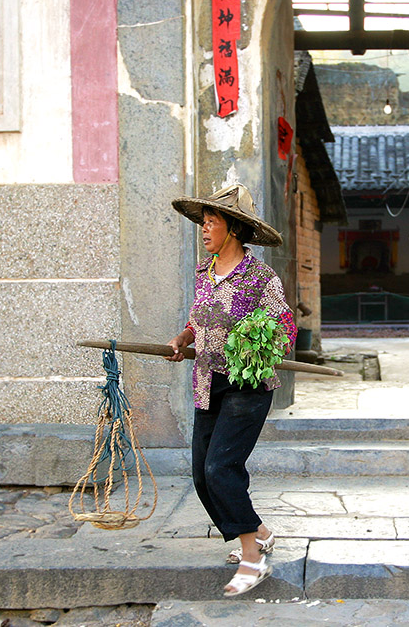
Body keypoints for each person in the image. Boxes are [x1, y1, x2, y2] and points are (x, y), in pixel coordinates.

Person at [165, 183, 296, 597]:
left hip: (247, 385)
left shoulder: (260, 277)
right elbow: (198, 319)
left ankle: (252, 559)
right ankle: (259, 532)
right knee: (202, 477)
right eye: (203, 223)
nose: (204, 230)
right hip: (207, 383)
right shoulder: (205, 274)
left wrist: (257, 342)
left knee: (221, 469)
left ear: (234, 229)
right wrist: (184, 338)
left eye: (211, 223)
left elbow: (287, 327)